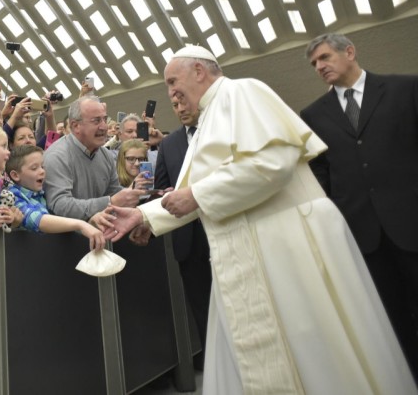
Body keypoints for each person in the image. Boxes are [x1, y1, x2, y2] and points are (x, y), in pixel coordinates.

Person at [107, 45, 416, 394]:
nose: (171, 93)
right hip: (251, 252)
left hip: (287, 248)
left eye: (172, 81)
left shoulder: (243, 92)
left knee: (314, 349)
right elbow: (193, 192)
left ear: (199, 71)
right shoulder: (207, 118)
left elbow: (272, 164)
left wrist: (194, 196)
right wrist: (144, 215)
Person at [300, 33, 418, 376]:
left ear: (349, 52)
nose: (319, 67)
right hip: (362, 234)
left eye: (325, 57)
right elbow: (319, 172)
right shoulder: (313, 115)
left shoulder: (405, 89)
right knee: (392, 318)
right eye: (314, 63)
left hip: (411, 221)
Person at [151, 95, 212, 371]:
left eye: (185, 103)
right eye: (175, 106)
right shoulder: (169, 144)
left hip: (222, 229)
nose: (180, 109)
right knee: (203, 310)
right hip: (190, 241)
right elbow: (162, 190)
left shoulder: (218, 130)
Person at [43, 96, 146, 225]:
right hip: (68, 236)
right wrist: (110, 202)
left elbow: (114, 192)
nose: (104, 127)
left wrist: (134, 194)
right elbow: (60, 206)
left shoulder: (105, 155)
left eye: (104, 119)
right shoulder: (57, 157)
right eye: (96, 121)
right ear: (75, 126)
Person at [5, 145, 106, 251]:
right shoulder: (12, 196)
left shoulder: (43, 193)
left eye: (42, 166)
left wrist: (90, 222)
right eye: (34, 168)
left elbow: (60, 222)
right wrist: (81, 224)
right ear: (15, 175)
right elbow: (38, 220)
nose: (42, 171)